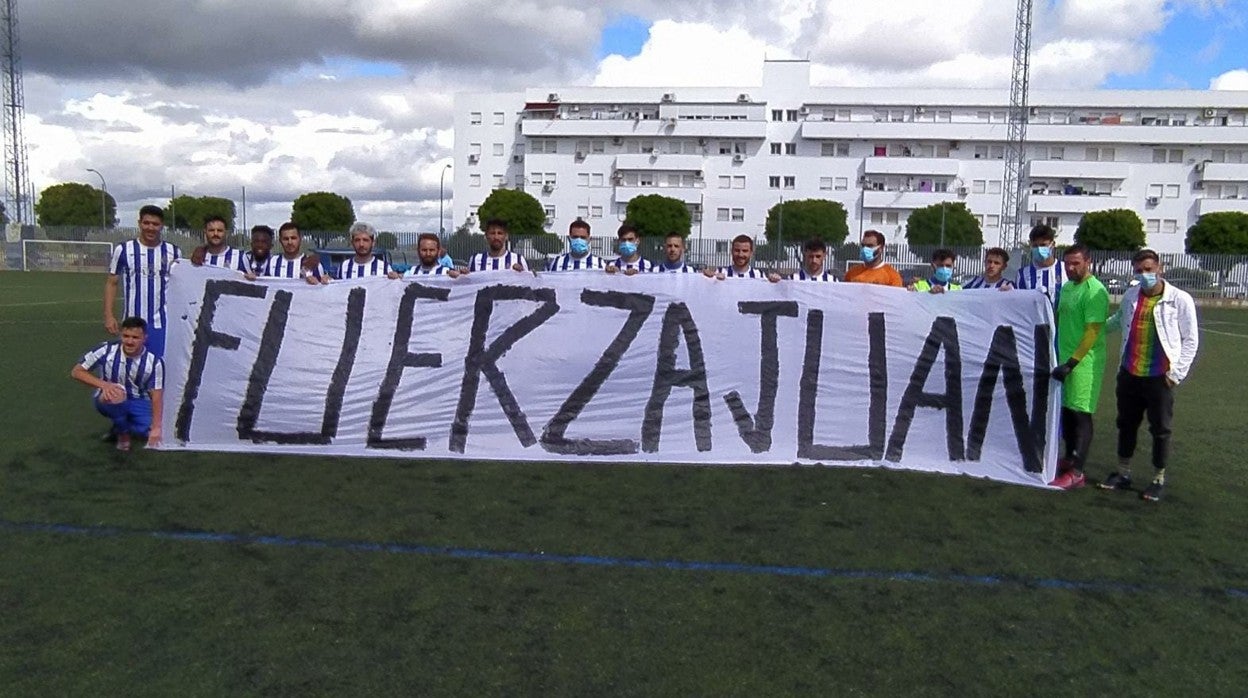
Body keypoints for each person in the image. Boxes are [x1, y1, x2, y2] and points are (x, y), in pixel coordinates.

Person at [1099, 249, 1199, 502]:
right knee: (1126, 424)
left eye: (1148, 269)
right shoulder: (1131, 295)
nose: (1145, 275)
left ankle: (1158, 478)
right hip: (1130, 372)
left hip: (1159, 377)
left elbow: (1191, 340)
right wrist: (1091, 329)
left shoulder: (1179, 299)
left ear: (1160, 268)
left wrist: (1176, 374)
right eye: (1139, 271)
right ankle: (1123, 473)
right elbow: (1119, 320)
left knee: (1161, 429)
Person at [1049, 243, 1109, 490]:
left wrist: (1072, 363)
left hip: (1084, 364)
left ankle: (1077, 472)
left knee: (1080, 414)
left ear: (1088, 262)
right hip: (1063, 360)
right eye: (1067, 263)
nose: (1071, 268)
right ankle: (1069, 457)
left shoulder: (1095, 291)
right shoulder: (1067, 288)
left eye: (1076, 263)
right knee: (1066, 412)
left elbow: (1092, 331)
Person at [71, 316, 165, 452]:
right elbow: (77, 371)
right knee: (117, 394)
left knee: (149, 432)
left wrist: (156, 428)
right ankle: (123, 435)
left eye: (135, 337)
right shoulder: (106, 350)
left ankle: (119, 426)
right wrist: (104, 385)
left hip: (138, 400)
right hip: (109, 395)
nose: (129, 341)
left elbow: (156, 396)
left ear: (144, 338)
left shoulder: (154, 363)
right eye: (126, 336)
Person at [104, 205, 182, 358]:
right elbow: (112, 282)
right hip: (132, 321)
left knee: (158, 366)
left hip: (161, 323)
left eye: (155, 224)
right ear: (139, 223)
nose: (150, 228)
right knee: (129, 366)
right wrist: (108, 315)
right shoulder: (124, 250)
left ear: (162, 226)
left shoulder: (173, 252)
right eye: (146, 223)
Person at [256, 222, 327, 284]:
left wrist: (324, 281)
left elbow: (322, 289)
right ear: (280, 241)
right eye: (286, 239)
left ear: (300, 239)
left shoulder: (314, 264)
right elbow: (260, 284)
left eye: (293, 238)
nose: (290, 242)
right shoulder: (270, 262)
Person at [1015, 224, 1065, 304]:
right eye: (1035, 246)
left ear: (1052, 245)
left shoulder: (1065, 270)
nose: (1039, 249)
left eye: (1043, 245)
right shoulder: (1022, 274)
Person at [336, 222, 401, 279]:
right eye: (357, 240)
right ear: (352, 243)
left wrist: (397, 280)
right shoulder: (344, 267)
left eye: (365, 240)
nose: (361, 244)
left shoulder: (384, 268)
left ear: (373, 242)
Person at [704, 234, 770, 279]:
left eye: (745, 251)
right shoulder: (720, 272)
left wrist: (776, 282)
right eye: (737, 250)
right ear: (731, 251)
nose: (740, 255)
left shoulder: (759, 276)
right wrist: (707, 278)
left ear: (751, 253)